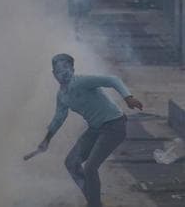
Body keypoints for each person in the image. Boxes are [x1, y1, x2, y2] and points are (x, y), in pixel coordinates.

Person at [32, 53, 143, 207]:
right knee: (71, 162)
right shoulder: (62, 96)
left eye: (66, 68)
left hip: (114, 126)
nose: (63, 73)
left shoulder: (82, 81)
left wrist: (128, 97)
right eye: (58, 70)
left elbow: (112, 79)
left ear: (73, 69)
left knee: (90, 167)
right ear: (53, 74)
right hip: (95, 129)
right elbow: (59, 118)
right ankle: (93, 200)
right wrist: (46, 140)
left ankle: (94, 204)